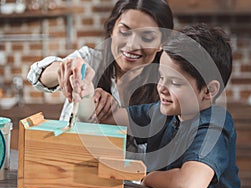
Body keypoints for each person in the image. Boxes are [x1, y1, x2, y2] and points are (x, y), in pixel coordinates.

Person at [87, 23, 241, 188]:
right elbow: (112, 118)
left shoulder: (214, 126)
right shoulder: (162, 113)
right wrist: (92, 97)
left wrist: (149, 178)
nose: (161, 87)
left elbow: (188, 185)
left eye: (175, 83)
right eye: (161, 76)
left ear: (209, 90)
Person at [27, 0, 174, 158]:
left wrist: (116, 115)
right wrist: (64, 69)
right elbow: (36, 75)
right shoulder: (90, 60)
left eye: (147, 37)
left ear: (162, 43)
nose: (132, 45)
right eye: (124, 32)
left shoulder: (167, 90)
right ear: (112, 31)